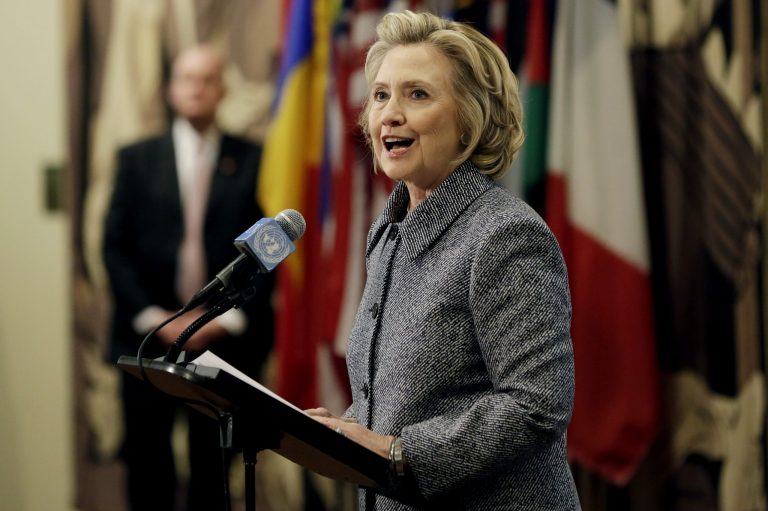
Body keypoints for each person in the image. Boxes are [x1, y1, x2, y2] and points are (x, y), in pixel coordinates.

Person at [307, 11, 579, 510]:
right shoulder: (387, 234)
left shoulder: (504, 234)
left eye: (418, 94)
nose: (389, 114)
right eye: (382, 95)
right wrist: (345, 428)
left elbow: (537, 404)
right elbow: (407, 398)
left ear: (469, 119)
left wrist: (398, 452)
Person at [103, 44, 274, 511]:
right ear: (170, 89)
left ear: (222, 90)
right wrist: (156, 318)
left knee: (213, 474)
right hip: (146, 343)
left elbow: (269, 254)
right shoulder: (136, 159)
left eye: (207, 79)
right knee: (148, 471)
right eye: (187, 78)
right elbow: (113, 248)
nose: (196, 88)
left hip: (223, 344)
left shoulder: (255, 159)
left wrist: (228, 320)